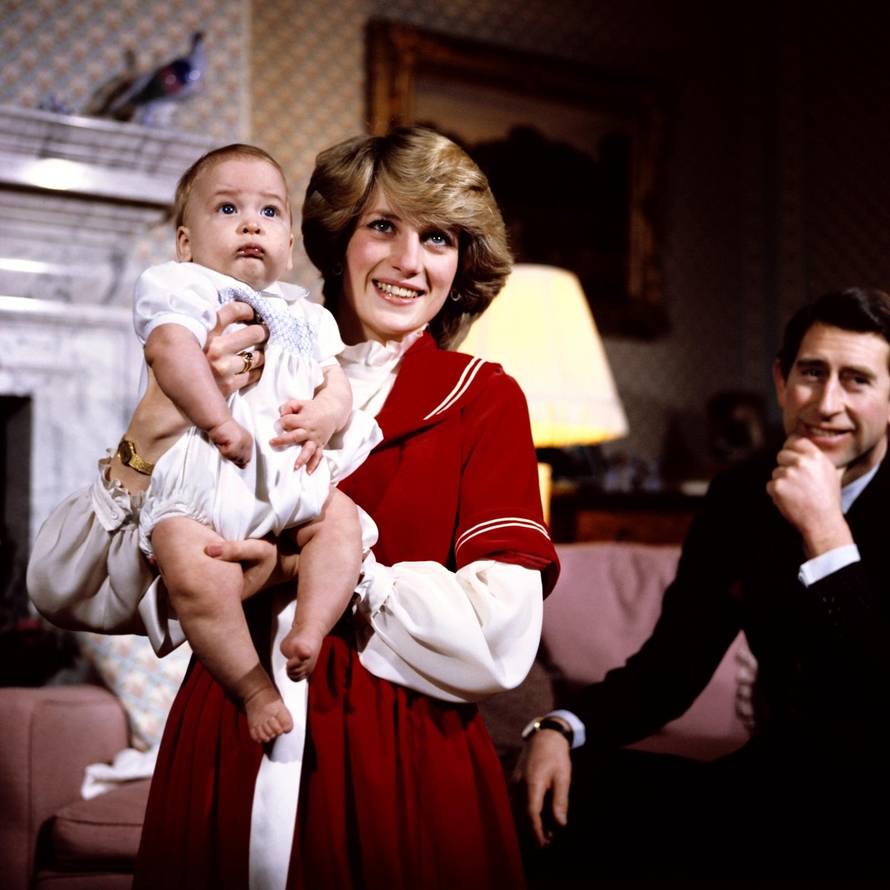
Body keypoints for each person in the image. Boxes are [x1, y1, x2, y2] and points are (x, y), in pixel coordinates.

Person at [29, 126, 559, 889]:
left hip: (400, 770)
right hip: (223, 753)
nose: (410, 262)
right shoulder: (228, 359)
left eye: (438, 237)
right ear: (339, 239)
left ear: (462, 261)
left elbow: (498, 639)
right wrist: (157, 417)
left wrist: (301, 564)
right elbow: (63, 589)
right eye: (383, 227)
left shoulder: (481, 399)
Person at [516, 287, 890, 880]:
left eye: (857, 381)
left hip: (879, 794)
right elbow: (671, 669)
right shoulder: (741, 495)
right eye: (812, 373)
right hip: (779, 781)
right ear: (780, 380)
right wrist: (562, 727)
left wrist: (824, 529)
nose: (826, 402)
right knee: (565, 790)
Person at [132, 143, 381, 743]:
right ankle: (249, 684)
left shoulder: (308, 316)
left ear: (289, 247)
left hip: (288, 478)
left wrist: (324, 415)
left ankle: (310, 631)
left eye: (269, 212)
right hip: (208, 478)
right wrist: (218, 419)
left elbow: (337, 384)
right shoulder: (183, 287)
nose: (250, 223)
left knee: (341, 520)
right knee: (190, 562)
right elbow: (169, 352)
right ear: (186, 242)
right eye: (227, 209)